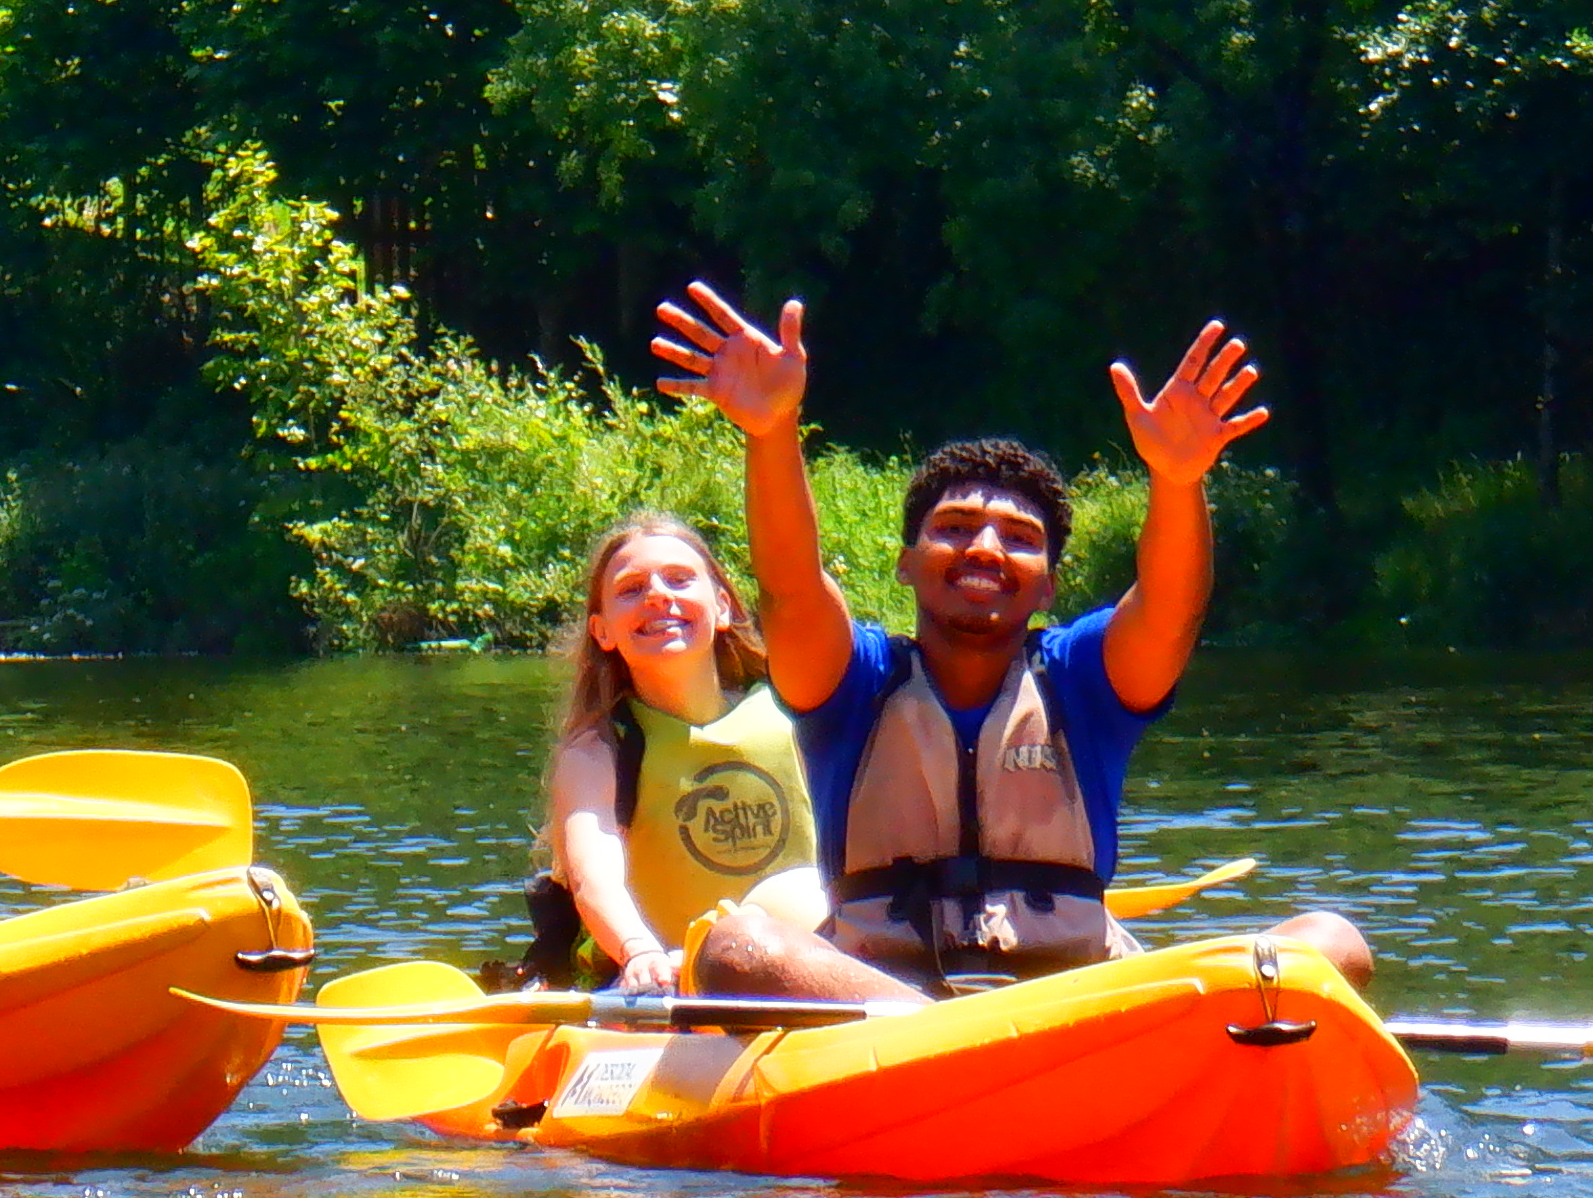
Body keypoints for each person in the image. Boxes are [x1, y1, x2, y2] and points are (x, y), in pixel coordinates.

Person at [647, 281, 1371, 1004]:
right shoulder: (854, 682)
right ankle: (943, 1035)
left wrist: (1178, 479)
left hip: (1075, 1004)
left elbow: (1171, 611)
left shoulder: (1083, 681)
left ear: (1048, 587)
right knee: (739, 947)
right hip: (881, 1007)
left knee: (1332, 943)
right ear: (905, 563)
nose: (985, 548)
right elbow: (791, 590)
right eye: (955, 527)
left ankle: (1025, 1047)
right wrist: (772, 433)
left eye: (1019, 539)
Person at [519, 510, 824, 994]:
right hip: (664, 983)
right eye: (631, 589)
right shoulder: (599, 749)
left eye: (680, 580)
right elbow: (593, 880)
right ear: (602, 632)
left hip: (808, 960)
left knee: (800, 892)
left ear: (722, 607)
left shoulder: (795, 710)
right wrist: (637, 949)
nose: (659, 595)